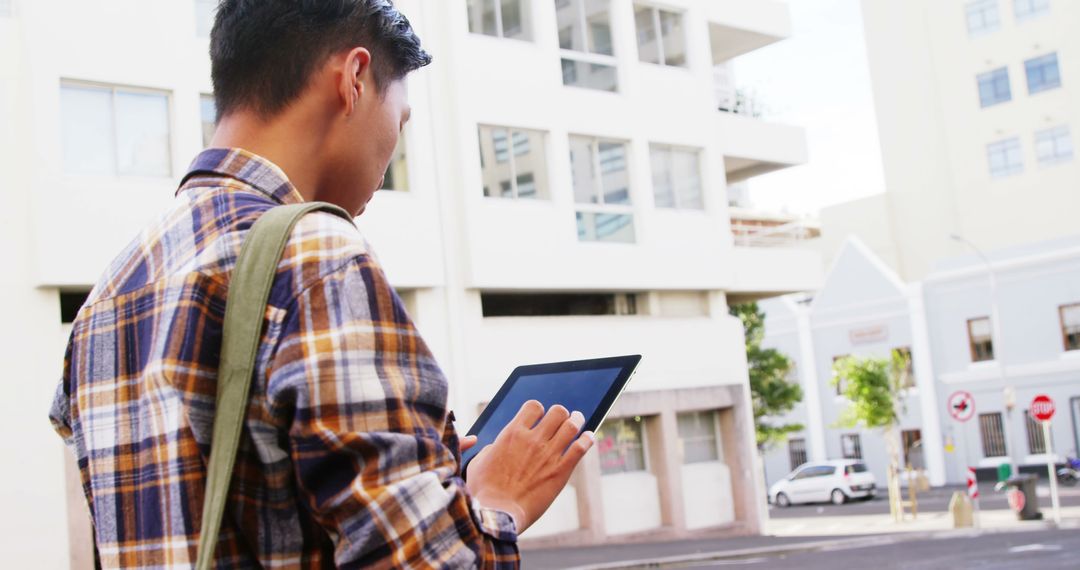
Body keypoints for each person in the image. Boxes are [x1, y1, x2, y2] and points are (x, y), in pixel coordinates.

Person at [48, 1, 593, 567]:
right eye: (400, 119)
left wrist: (408, 459)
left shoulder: (113, 288)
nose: (392, 148)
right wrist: (498, 501)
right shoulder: (318, 253)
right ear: (354, 79)